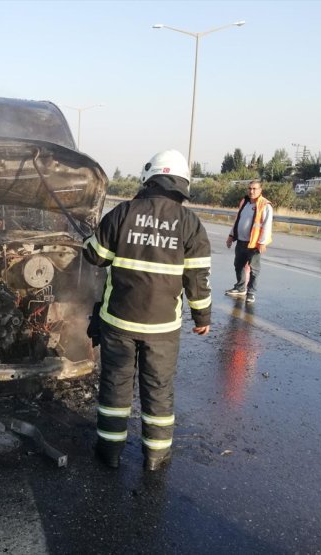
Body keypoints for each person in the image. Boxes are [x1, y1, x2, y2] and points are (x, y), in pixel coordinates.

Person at [83, 150, 212, 471]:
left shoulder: (123, 212)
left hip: (118, 322)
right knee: (158, 390)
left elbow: (94, 255)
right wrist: (202, 318)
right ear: (182, 184)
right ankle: (155, 457)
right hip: (163, 328)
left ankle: (109, 453)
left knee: (116, 384)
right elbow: (198, 278)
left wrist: (88, 239)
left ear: (149, 178)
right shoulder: (190, 224)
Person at [224, 180, 273, 304]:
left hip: (254, 244)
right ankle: (240, 288)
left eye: (255, 189)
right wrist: (231, 236)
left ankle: (251, 293)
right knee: (238, 265)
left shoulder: (265, 205)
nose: (251, 191)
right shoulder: (245, 202)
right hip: (241, 241)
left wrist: (262, 242)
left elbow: (267, 225)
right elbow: (238, 221)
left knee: (254, 269)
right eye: (250, 188)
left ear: (260, 190)